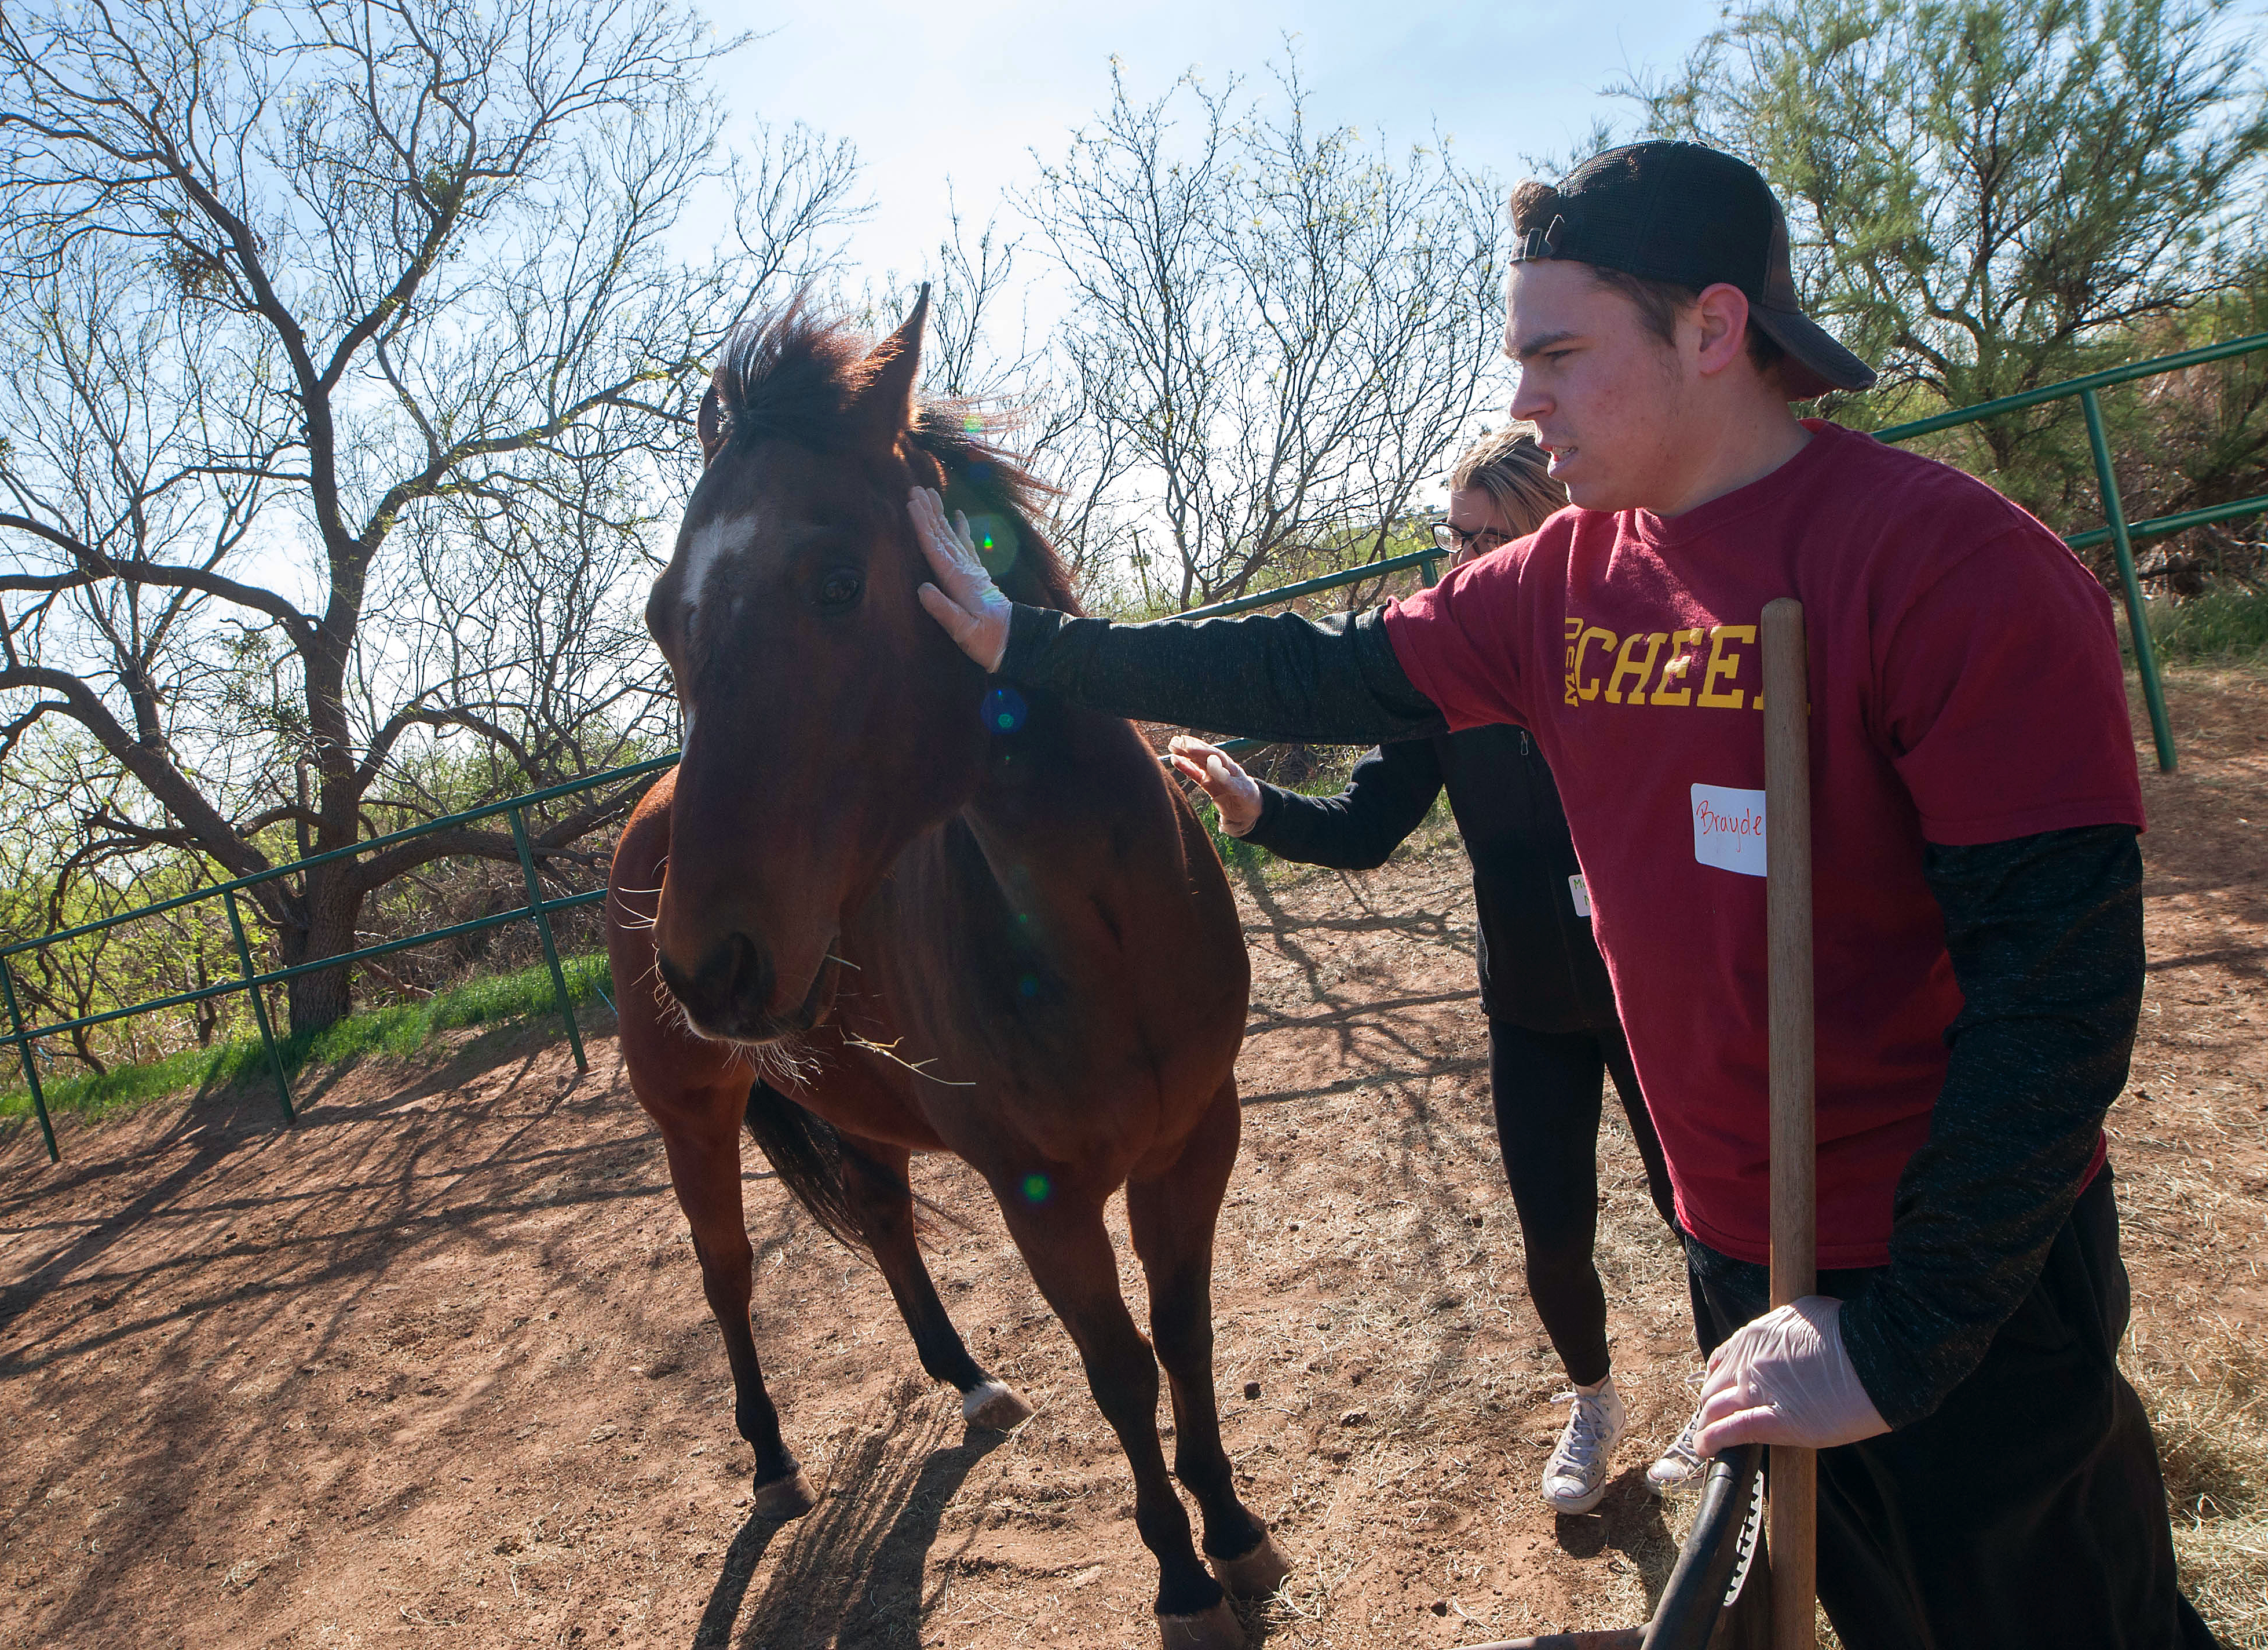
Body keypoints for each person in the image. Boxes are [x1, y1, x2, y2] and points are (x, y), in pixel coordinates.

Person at [910, 141, 2216, 1648]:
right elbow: (1312, 669)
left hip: (1966, 1276)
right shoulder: (1558, 585)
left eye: (1558, 352)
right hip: (1742, 1255)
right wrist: (1035, 646)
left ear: (1712, 331)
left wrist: (1903, 1340)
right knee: (1874, 1613)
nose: (1523, 398)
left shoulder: (1954, 571)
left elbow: (2056, 1002)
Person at [1167, 425, 1705, 1514]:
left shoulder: (1633, 654)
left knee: (1704, 1216)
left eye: (1487, 539)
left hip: (1662, 997)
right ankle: (1593, 1400)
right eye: (1453, 541)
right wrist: (1255, 806)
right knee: (1553, 1237)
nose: (1461, 566)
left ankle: (1731, 1402)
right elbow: (1372, 821)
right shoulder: (1451, 675)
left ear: (1556, 539)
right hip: (1533, 1003)